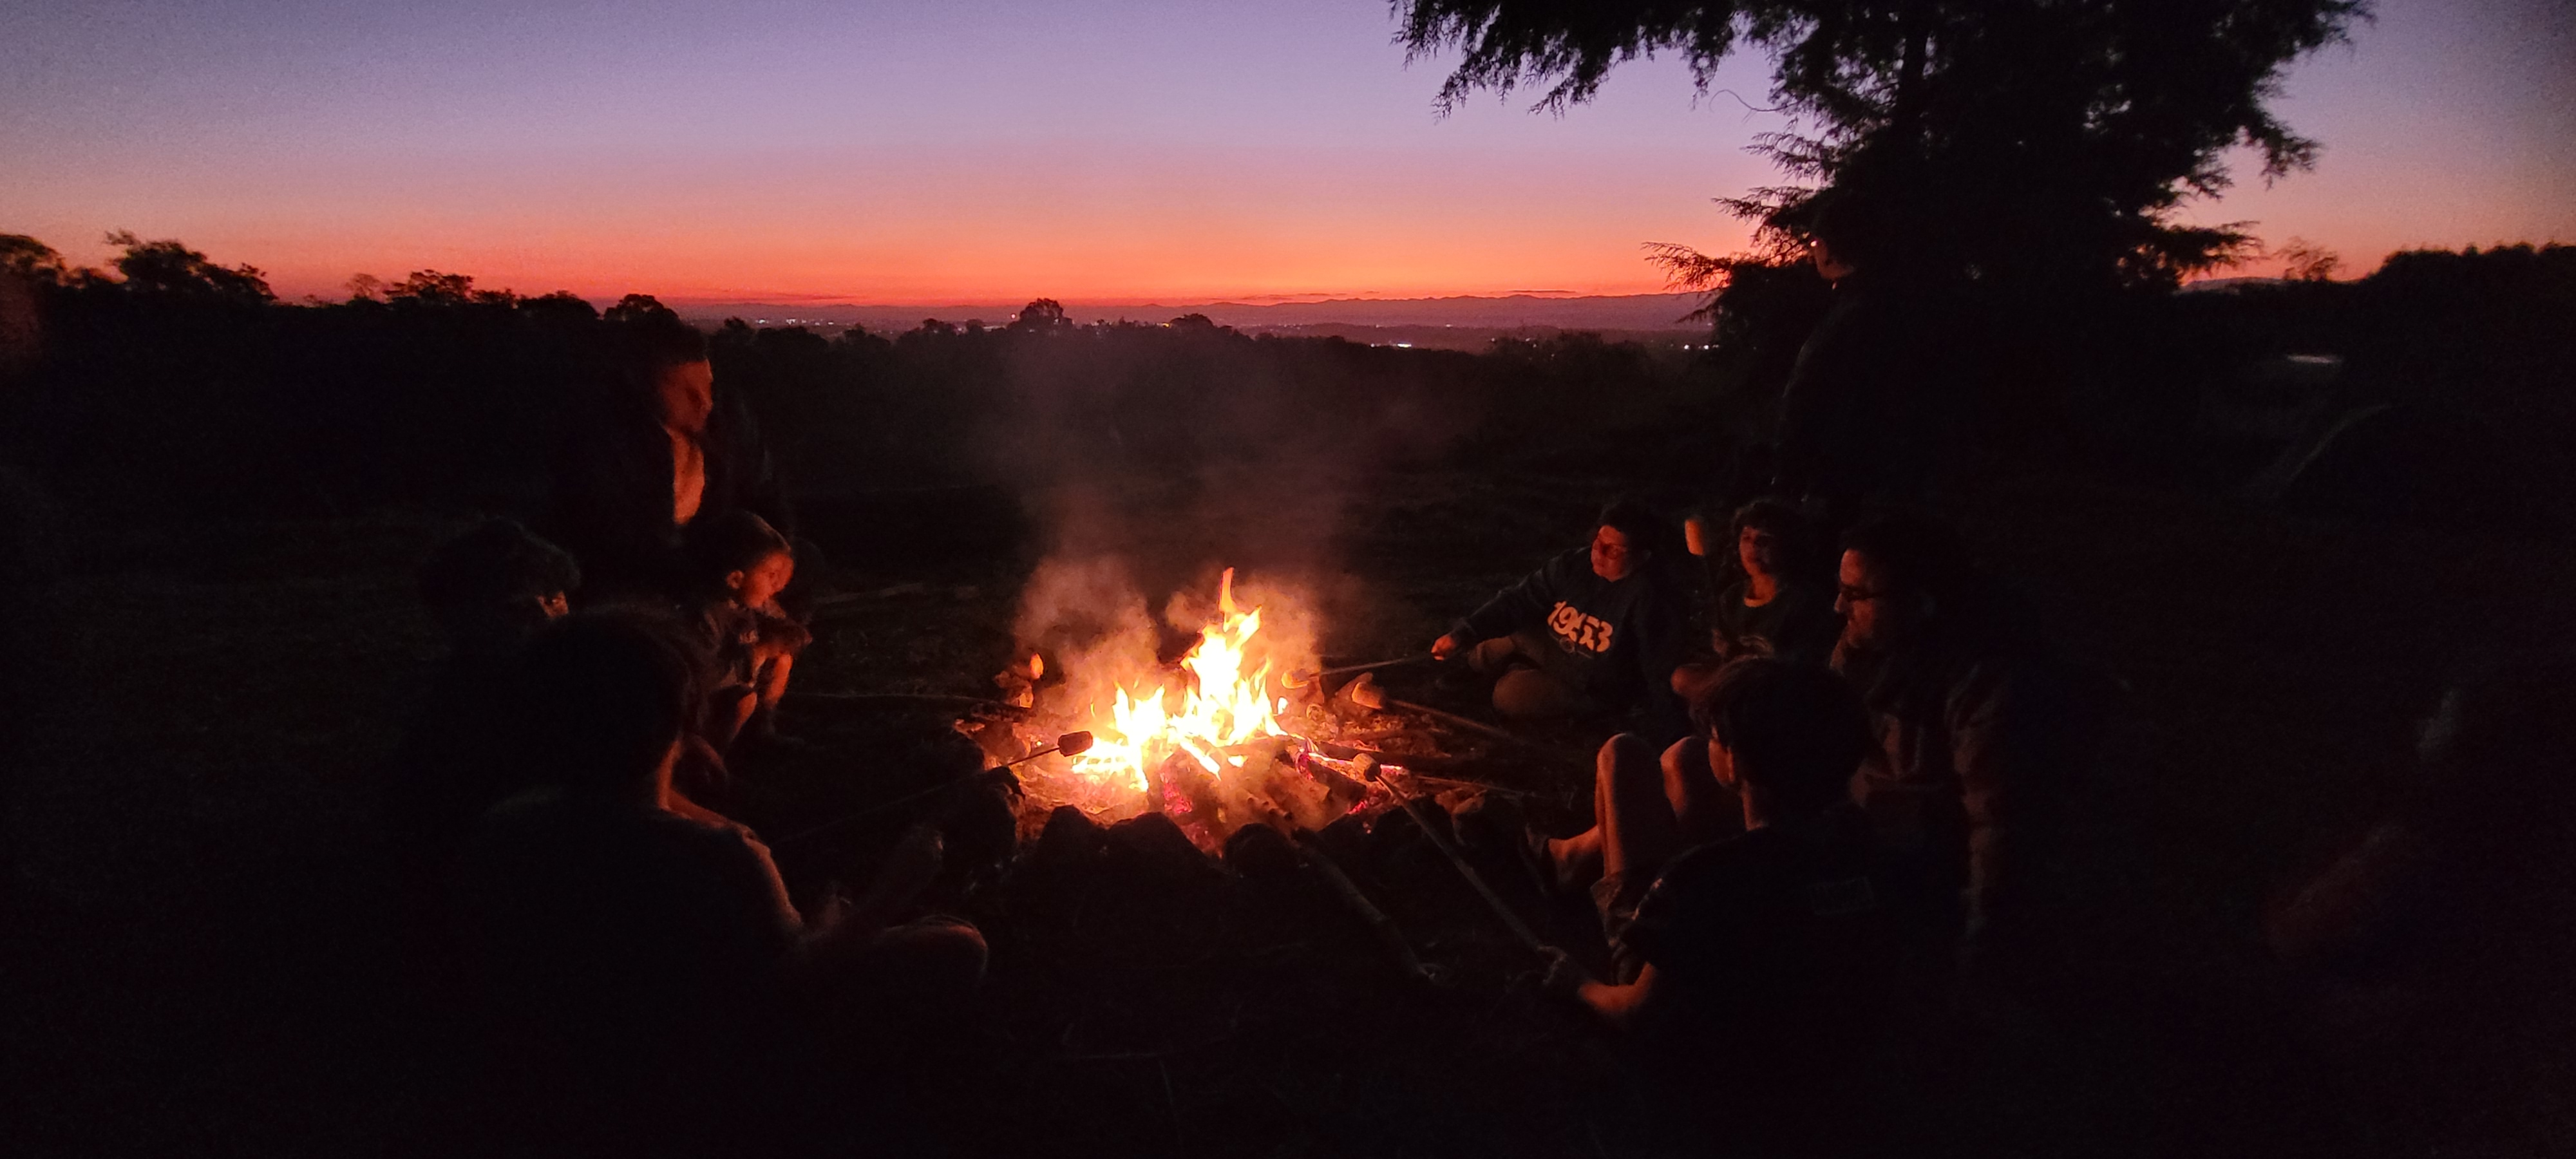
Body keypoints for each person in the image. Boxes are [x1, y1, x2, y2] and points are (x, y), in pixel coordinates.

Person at [451, 612, 983, 1149]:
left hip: (572, 1051)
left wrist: (678, 785)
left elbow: (612, 798)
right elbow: (793, 978)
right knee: (956, 943)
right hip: (702, 1068)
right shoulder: (722, 857)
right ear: (685, 724)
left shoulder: (509, 825)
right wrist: (888, 896)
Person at [1539, 660, 1899, 1119]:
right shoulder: (1863, 846)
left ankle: (1567, 866)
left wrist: (1577, 985)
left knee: (1621, 754)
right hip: (1830, 1056)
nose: (1710, 743)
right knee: (1684, 759)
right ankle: (1567, 860)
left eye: (1715, 737)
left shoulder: (1704, 879)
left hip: (1730, 1076)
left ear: (1735, 761)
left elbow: (1638, 1016)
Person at [1830, 512, 2070, 983]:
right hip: (1865, 828)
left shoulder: (1988, 684)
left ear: (1921, 603)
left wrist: (1981, 956)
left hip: (1927, 866)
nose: (1839, 607)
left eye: (1857, 595)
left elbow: (2000, 826)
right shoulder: (1869, 644)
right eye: (1841, 589)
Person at [545, 318, 792, 605]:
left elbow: (765, 490)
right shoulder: (605, 442)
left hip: (728, 561)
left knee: (806, 561)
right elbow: (611, 541)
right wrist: (706, 580)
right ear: (643, 386)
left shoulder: (728, 421)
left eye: (707, 387)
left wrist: (780, 551)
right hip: (646, 577)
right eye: (686, 391)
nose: (704, 402)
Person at [1432, 500, 1690, 731]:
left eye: (1613, 551)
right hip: (1553, 646)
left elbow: (1658, 668)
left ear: (1642, 556)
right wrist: (1463, 634)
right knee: (1495, 638)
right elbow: (1519, 600)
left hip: (1588, 684)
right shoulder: (1574, 565)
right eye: (1598, 542)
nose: (1599, 554)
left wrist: (1664, 724)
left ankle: (1515, 677)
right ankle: (1474, 670)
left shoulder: (1651, 596)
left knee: (1508, 695)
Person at [1770, 192, 1946, 516]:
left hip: (1846, 490)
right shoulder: (1898, 305)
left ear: (1834, 247)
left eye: (1814, 243)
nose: (1813, 254)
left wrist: (1800, 479)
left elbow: (1828, 404)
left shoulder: (1860, 314)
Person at [1672, 498, 1837, 704]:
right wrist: (1722, 650)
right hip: (1733, 682)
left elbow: (1804, 668)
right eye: (1747, 538)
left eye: (1764, 540)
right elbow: (1719, 657)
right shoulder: (1731, 598)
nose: (1753, 547)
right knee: (1683, 677)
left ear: (1787, 545)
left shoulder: (1801, 601)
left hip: (1776, 691)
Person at [679, 510, 811, 751]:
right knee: (743, 701)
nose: (776, 585)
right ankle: (712, 755)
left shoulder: (750, 601)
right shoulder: (707, 614)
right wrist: (756, 655)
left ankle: (761, 730)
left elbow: (784, 625)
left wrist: (789, 634)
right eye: (770, 575)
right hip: (710, 703)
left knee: (782, 660)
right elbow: (703, 678)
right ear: (735, 580)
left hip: (741, 677)